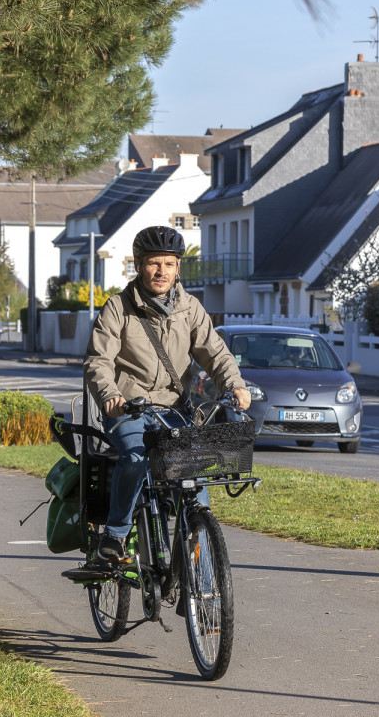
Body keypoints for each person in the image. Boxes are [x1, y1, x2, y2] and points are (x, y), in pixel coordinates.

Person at [83, 226, 252, 561]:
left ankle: (196, 546)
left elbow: (215, 353)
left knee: (194, 468)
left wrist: (234, 384)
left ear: (178, 268)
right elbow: (98, 360)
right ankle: (116, 535)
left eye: (169, 264)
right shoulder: (118, 308)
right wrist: (110, 397)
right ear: (138, 264)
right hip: (129, 408)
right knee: (135, 457)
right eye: (153, 263)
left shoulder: (189, 308)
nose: (161, 272)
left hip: (174, 409)